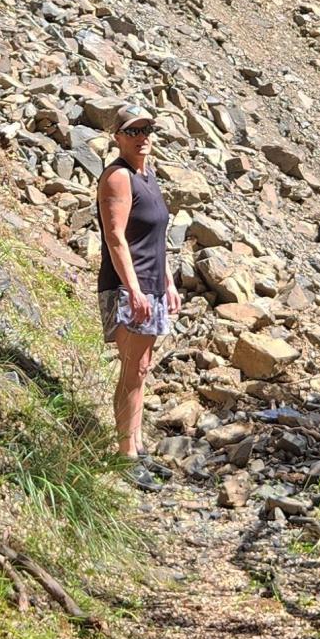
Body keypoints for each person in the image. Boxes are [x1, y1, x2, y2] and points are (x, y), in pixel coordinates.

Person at [97, 102, 181, 491]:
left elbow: (153, 237)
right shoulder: (118, 177)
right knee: (132, 370)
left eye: (147, 129)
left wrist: (168, 282)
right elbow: (116, 237)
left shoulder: (147, 175)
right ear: (117, 137)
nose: (142, 137)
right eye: (133, 131)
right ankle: (125, 454)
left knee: (142, 367)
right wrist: (133, 288)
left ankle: (137, 444)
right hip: (129, 286)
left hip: (151, 284)